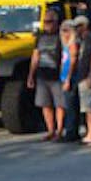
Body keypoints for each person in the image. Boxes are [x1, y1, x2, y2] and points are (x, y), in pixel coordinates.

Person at [26, 10, 64, 141]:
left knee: (59, 104)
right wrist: (31, 75)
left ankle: (60, 130)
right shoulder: (40, 37)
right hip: (42, 74)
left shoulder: (61, 36)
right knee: (45, 104)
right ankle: (50, 130)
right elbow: (35, 56)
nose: (47, 25)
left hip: (56, 75)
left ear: (56, 22)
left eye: (49, 22)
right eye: (45, 22)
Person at [73, 16, 91, 147]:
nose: (76, 29)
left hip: (89, 78)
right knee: (86, 108)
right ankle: (90, 133)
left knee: (90, 108)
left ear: (85, 26)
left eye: (78, 26)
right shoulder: (82, 40)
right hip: (82, 78)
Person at [58, 19, 79, 142]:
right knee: (67, 104)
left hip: (70, 78)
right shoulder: (65, 45)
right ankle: (69, 130)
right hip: (63, 76)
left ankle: (71, 131)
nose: (65, 33)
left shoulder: (73, 44)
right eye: (63, 30)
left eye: (67, 31)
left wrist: (68, 79)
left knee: (71, 105)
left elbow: (73, 61)